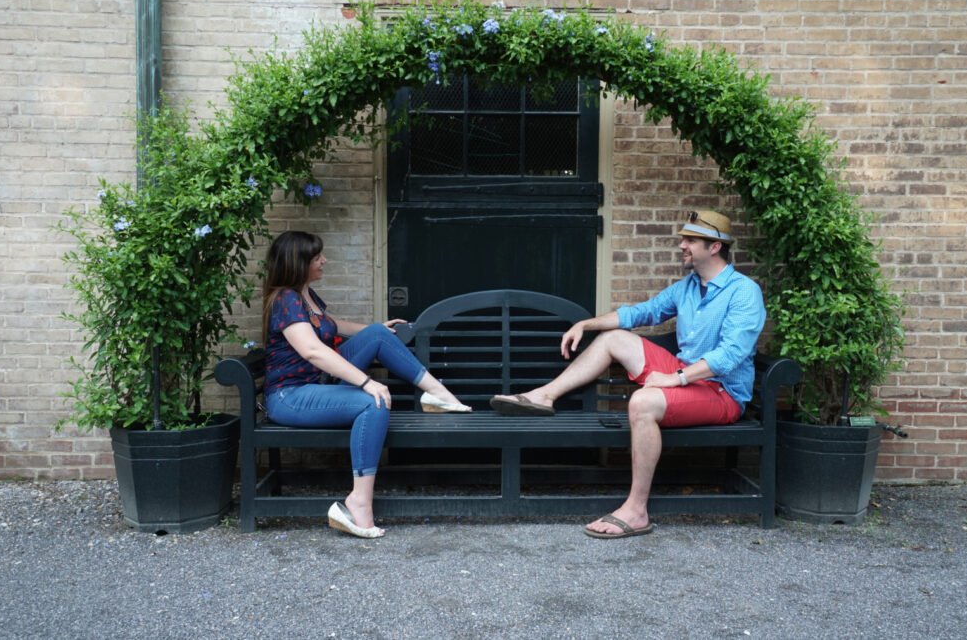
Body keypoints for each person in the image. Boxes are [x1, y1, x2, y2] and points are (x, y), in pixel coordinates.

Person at [490, 210, 766, 539]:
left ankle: (636, 511)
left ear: (715, 247)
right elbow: (641, 313)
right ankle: (545, 395)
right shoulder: (688, 287)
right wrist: (585, 324)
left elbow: (731, 354)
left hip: (721, 393)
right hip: (687, 376)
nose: (681, 246)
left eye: (690, 240)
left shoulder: (743, 292)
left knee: (642, 403)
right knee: (613, 339)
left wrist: (675, 379)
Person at [262, 230, 470, 539]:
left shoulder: (304, 293)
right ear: (299, 262)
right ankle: (357, 502)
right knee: (374, 401)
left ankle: (438, 394)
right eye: (318, 257)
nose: (324, 261)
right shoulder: (285, 300)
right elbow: (312, 350)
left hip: (317, 383)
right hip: (291, 396)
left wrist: (376, 329)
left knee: (377, 334)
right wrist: (367, 382)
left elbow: (332, 325)